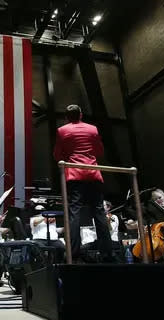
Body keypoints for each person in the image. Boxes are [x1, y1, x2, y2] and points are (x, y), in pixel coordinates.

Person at [53, 104, 113, 262]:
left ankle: (74, 252)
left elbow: (58, 154)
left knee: (74, 214)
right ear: (80, 115)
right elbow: (99, 151)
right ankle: (107, 252)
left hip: (74, 175)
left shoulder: (62, 130)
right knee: (99, 212)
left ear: (66, 117)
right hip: (93, 174)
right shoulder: (93, 129)